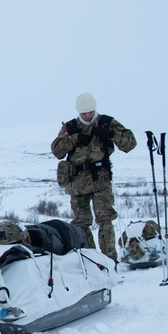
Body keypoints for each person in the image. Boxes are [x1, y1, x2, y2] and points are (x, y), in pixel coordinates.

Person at [50, 92, 137, 261]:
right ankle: (90, 260)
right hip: (77, 183)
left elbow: (130, 143)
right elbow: (57, 150)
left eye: (90, 112)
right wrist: (74, 138)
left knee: (105, 220)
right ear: (79, 112)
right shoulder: (70, 127)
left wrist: (111, 135)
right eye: (84, 113)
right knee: (81, 222)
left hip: (100, 179)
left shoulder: (106, 122)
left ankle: (109, 259)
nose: (88, 116)